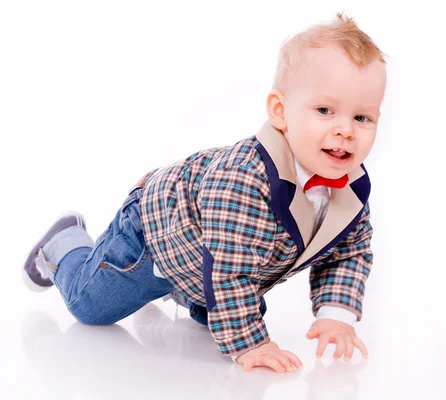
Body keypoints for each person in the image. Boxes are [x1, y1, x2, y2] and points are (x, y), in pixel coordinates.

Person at [23, 12, 387, 373]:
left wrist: (336, 314)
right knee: (91, 308)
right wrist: (251, 343)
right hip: (154, 236)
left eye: (362, 118)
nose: (346, 131)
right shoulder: (245, 181)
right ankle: (65, 242)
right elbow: (230, 270)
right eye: (325, 110)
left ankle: (189, 293)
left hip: (208, 256)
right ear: (280, 112)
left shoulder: (350, 189)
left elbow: (348, 252)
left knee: (234, 306)